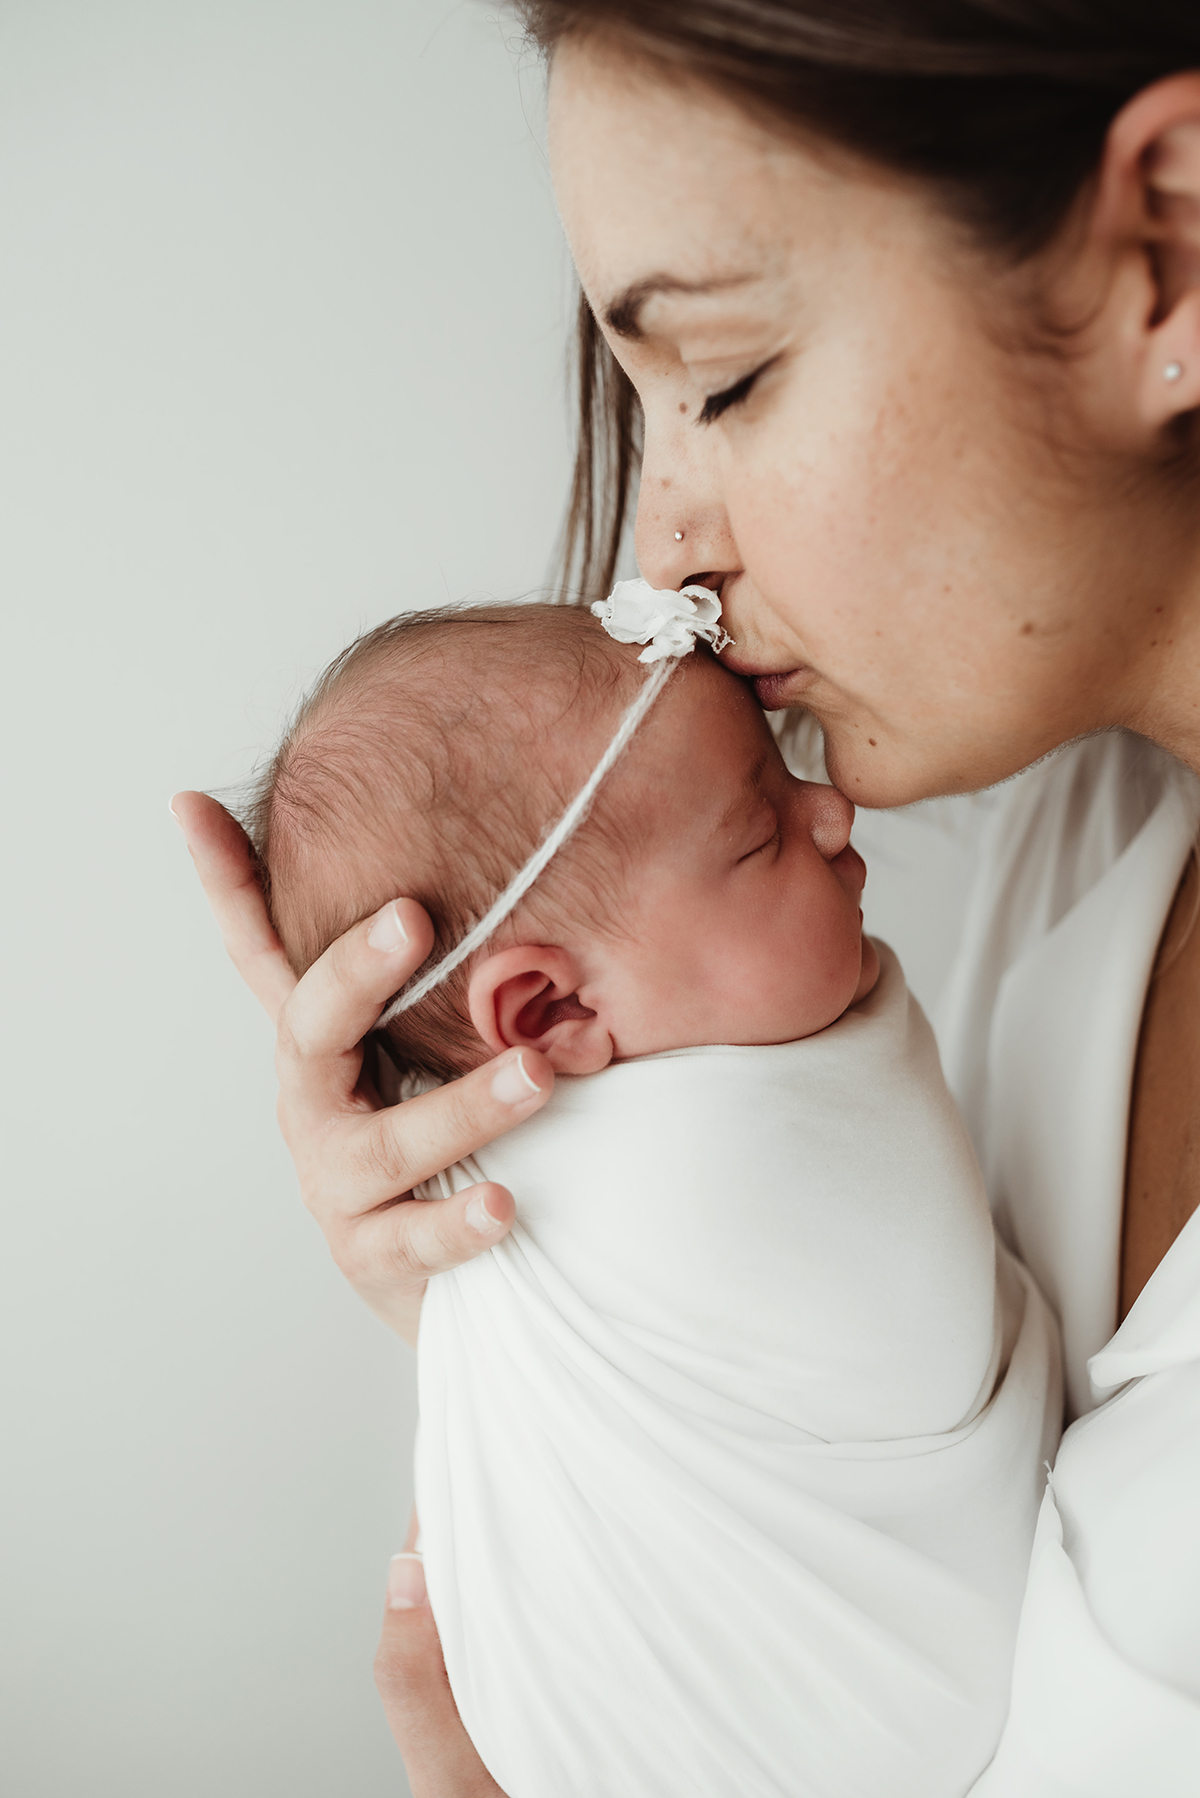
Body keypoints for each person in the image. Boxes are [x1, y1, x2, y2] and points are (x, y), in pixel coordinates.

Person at [171, 3, 1200, 1791]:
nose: (663, 550)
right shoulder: (1054, 842)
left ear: (1168, 247)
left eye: (718, 377)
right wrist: (546, 1294)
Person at [244, 591, 1058, 1795]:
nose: (832, 812)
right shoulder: (714, 1166)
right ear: (551, 1014)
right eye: (761, 833)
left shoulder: (551, 1162)